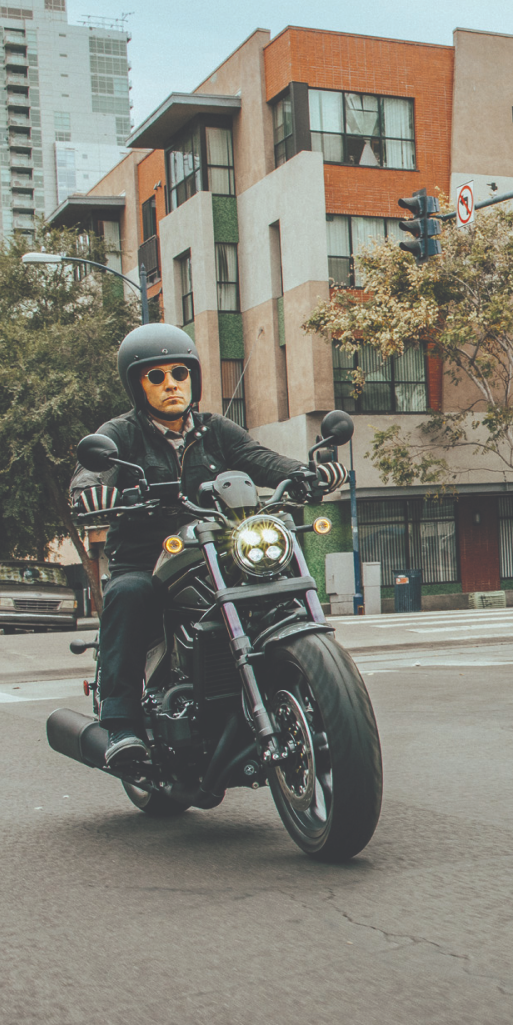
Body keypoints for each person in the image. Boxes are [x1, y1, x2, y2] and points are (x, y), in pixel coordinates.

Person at [68, 323, 345, 772]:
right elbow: (89, 475)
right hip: (147, 557)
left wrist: (308, 473)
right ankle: (122, 724)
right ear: (137, 386)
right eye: (155, 377)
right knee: (127, 593)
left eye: (179, 373)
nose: (170, 384)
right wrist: (92, 493)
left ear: (193, 378)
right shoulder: (120, 434)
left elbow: (260, 459)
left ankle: (309, 683)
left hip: (216, 550)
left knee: (272, 579)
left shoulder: (216, 430)